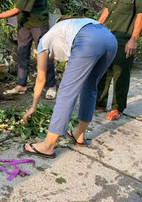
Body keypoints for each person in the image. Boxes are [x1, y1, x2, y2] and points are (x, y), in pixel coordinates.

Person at [22, 17, 117, 158]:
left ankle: (48, 146)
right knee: (90, 87)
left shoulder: (42, 43)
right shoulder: (62, 33)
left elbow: (41, 78)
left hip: (87, 39)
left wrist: (33, 107)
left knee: (66, 92)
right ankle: (79, 134)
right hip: (109, 39)